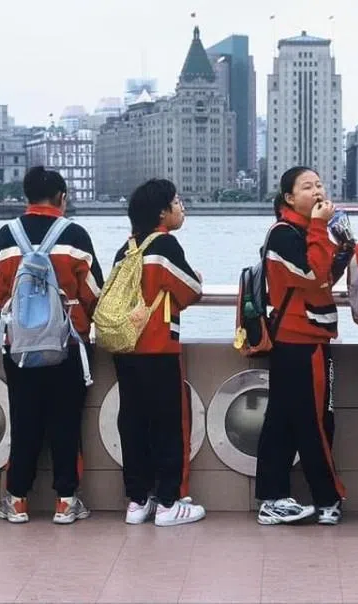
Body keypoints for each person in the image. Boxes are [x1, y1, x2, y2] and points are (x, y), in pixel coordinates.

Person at [0, 166, 104, 525]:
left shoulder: (7, 235)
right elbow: (95, 293)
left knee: (24, 422)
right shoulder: (76, 235)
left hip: (20, 346)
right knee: (66, 423)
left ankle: (17, 501)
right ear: (62, 197)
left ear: (26, 197)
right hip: (67, 344)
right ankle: (66, 501)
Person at [255, 166, 349, 526]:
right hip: (302, 340)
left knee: (283, 420)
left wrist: (341, 247)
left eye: (320, 185)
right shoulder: (284, 234)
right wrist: (321, 228)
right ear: (289, 198)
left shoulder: (301, 231)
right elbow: (311, 277)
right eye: (307, 187)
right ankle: (327, 498)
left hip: (299, 339)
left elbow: (324, 276)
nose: (317, 191)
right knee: (315, 421)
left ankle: (273, 498)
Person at [112, 178, 206, 527]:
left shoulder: (127, 249)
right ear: (162, 213)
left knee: (133, 421)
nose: (182, 208)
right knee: (168, 423)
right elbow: (191, 289)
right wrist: (195, 276)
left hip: (125, 346)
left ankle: (137, 501)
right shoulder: (165, 246)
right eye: (177, 202)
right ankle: (168, 502)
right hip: (157, 347)